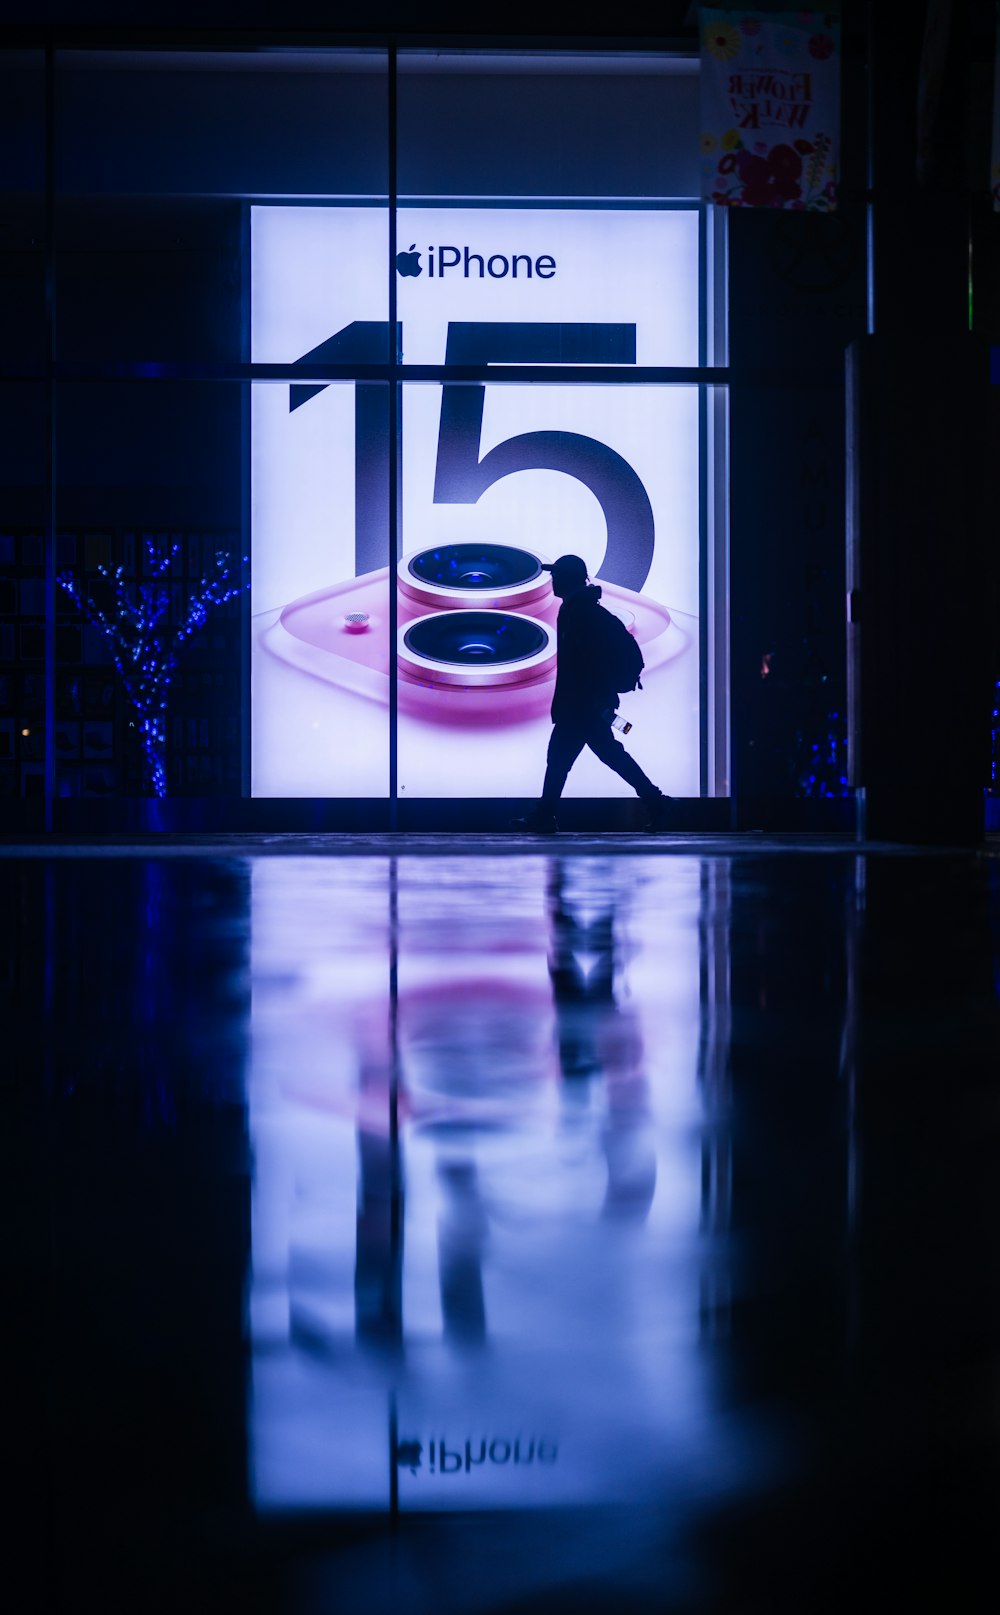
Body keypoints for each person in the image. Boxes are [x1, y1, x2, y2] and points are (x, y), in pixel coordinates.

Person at [511, 554, 670, 833]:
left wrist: (586, 699)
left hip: (582, 704)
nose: (552, 580)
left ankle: (545, 816)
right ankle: (655, 801)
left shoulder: (578, 612)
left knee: (562, 758)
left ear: (568, 578)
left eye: (556, 575)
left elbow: (585, 661)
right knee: (605, 754)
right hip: (588, 703)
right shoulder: (582, 609)